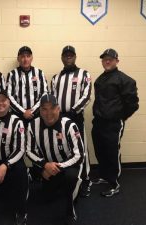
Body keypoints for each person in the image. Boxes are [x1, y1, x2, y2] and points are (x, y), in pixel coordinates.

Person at [26, 94, 84, 225]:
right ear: (40, 111)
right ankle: (58, 185)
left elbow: (80, 155)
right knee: (47, 198)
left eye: (52, 108)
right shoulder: (32, 126)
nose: (48, 113)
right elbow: (29, 151)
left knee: (70, 178)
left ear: (58, 109)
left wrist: (58, 167)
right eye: (44, 109)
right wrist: (44, 165)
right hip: (47, 167)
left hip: (67, 166)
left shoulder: (70, 125)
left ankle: (70, 208)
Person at [92, 48, 139, 197]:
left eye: (110, 59)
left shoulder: (125, 80)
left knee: (112, 152)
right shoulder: (100, 79)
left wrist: (120, 117)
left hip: (113, 124)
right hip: (99, 122)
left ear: (116, 61)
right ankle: (104, 176)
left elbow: (133, 104)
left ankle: (114, 183)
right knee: (100, 150)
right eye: (104, 59)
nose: (107, 61)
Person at [0, 89, 28, 225]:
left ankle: (21, 211)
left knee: (21, 172)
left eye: (4, 100)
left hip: (9, 164)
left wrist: (5, 165)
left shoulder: (17, 122)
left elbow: (20, 149)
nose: (0, 103)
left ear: (9, 103)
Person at [50, 45, 92, 197]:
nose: (68, 57)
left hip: (75, 117)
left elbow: (86, 96)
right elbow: (53, 98)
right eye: (65, 55)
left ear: (75, 57)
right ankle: (67, 178)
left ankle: (86, 180)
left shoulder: (84, 74)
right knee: (62, 147)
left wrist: (73, 111)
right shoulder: (56, 78)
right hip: (60, 119)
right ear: (61, 57)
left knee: (81, 149)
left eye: (71, 55)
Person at [6, 46, 48, 125]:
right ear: (18, 59)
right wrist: (23, 112)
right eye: (22, 57)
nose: (25, 59)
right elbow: (8, 96)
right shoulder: (12, 74)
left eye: (28, 56)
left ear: (32, 58)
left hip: (36, 114)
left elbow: (45, 93)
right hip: (17, 115)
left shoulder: (39, 73)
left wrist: (33, 111)